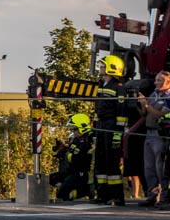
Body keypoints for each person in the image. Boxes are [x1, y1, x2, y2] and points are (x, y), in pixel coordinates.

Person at [93, 55, 128, 205]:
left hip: (112, 127)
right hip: (101, 127)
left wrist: (117, 134)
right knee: (100, 161)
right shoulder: (102, 85)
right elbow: (98, 108)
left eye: (103, 65)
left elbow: (122, 112)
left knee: (112, 163)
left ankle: (117, 196)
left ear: (111, 68)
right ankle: (102, 194)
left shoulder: (118, 87)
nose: (101, 68)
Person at [136, 70, 170, 208]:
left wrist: (147, 105)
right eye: (156, 80)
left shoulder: (169, 97)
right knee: (148, 167)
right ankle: (151, 195)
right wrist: (139, 103)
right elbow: (145, 114)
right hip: (148, 133)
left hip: (160, 134)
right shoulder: (154, 94)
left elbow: (158, 114)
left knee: (159, 168)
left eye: (160, 80)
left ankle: (163, 197)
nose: (156, 82)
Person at [56, 114, 94, 201]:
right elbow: (67, 151)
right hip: (71, 171)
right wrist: (59, 150)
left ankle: (86, 190)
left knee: (61, 195)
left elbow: (76, 158)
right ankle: (66, 188)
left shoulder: (87, 141)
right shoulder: (75, 139)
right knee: (52, 178)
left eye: (75, 129)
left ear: (82, 128)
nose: (73, 132)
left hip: (80, 173)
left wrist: (68, 154)